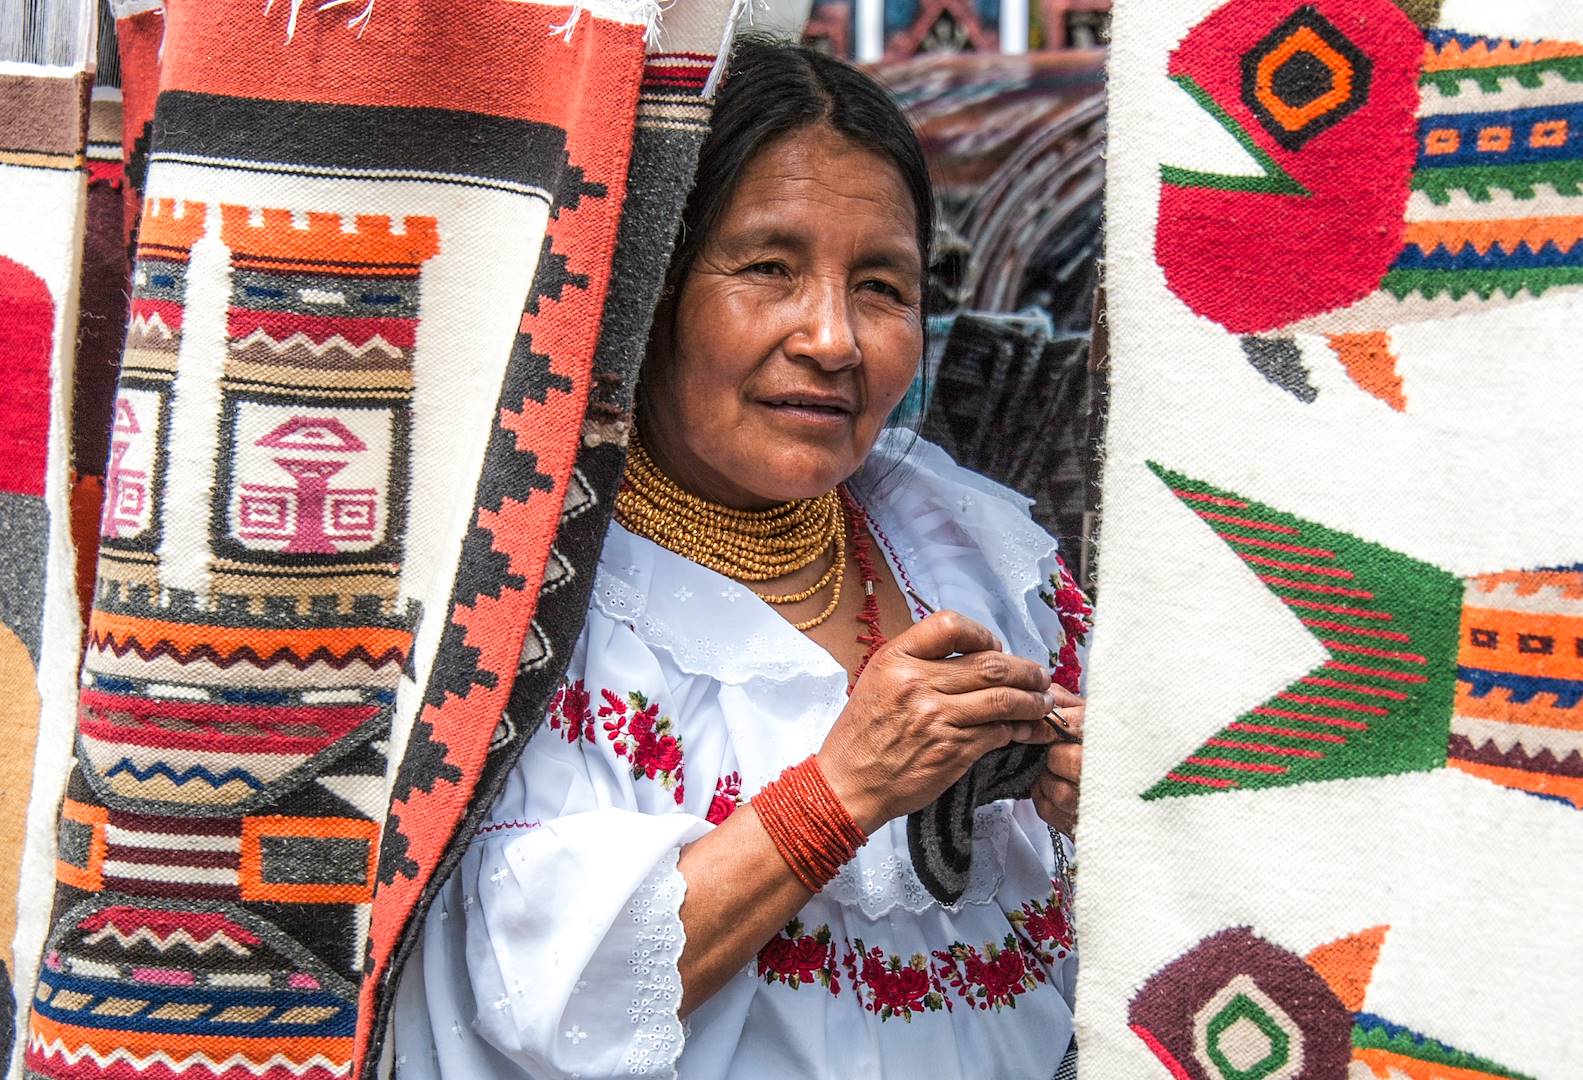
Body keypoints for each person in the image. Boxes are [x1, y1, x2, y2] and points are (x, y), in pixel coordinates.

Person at [393, 37, 1090, 1080]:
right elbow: (539, 993)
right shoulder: (526, 598)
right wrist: (840, 793)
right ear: (650, 286)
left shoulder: (979, 558)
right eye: (768, 269)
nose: (833, 339)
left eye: (881, 286)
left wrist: (1097, 801)